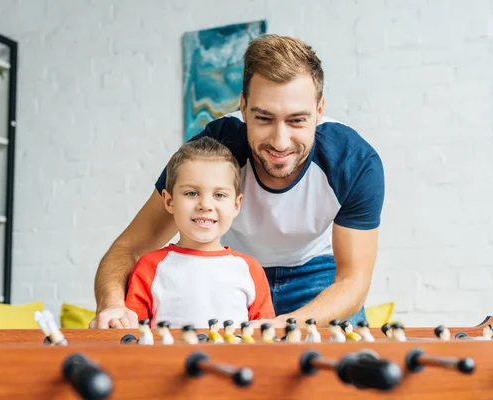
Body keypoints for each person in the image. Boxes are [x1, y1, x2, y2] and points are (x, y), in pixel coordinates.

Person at [90, 34, 385, 330]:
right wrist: (113, 306)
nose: (280, 142)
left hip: (316, 275)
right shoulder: (213, 148)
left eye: (296, 120)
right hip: (227, 270)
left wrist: (286, 324)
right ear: (243, 108)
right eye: (264, 119)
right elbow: (129, 247)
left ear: (319, 110)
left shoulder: (354, 162)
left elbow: (352, 280)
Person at [123, 137, 275, 329]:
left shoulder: (250, 269)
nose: (205, 205)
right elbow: (133, 336)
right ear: (169, 202)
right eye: (191, 193)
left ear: (236, 205)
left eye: (219, 195)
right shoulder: (149, 267)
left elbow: (267, 338)